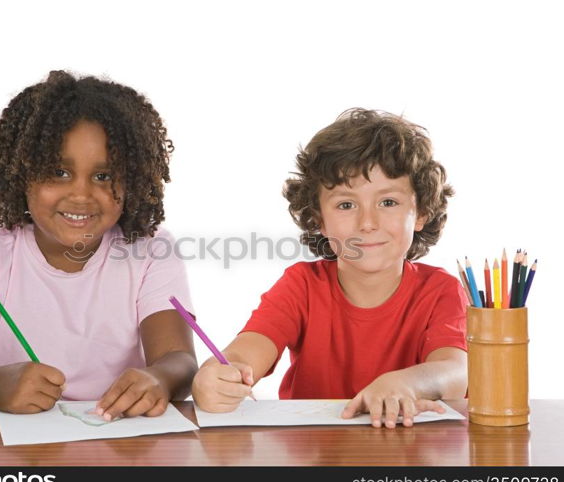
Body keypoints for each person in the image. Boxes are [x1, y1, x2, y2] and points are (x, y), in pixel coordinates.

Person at [0, 70, 197, 419]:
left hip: (122, 445)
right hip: (22, 460)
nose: (81, 194)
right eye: (59, 172)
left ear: (131, 182)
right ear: (20, 174)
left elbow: (181, 361)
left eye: (103, 176)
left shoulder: (149, 250)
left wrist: (158, 378)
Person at [192, 108, 468, 428]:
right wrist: (213, 377)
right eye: (346, 205)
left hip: (408, 455)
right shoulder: (301, 286)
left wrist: (406, 383)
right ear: (319, 219)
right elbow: (247, 351)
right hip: (315, 451)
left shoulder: (440, 290)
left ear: (421, 213)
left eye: (388, 202)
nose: (368, 223)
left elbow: (454, 372)